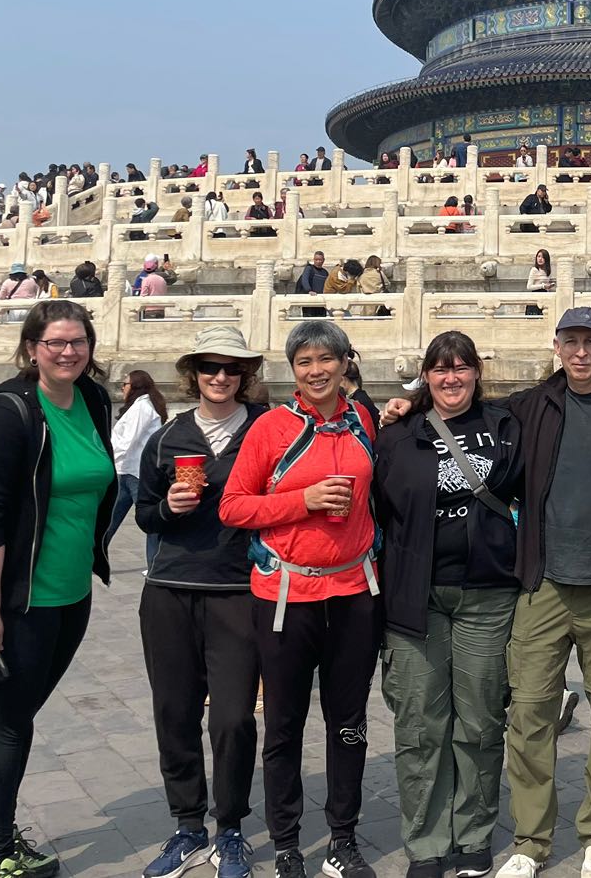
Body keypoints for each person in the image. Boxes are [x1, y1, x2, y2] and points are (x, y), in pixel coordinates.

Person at [387, 307, 591, 878]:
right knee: (526, 716)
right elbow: (455, 415)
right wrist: (407, 404)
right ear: (556, 346)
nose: (580, 352)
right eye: (570, 342)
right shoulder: (528, 408)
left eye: (590, 342)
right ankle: (530, 840)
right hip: (539, 585)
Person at [0, 301, 118, 877]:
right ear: (31, 349)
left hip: (72, 592)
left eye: (78, 341)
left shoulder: (95, 401)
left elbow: (99, 483)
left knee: (19, 713)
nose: (68, 352)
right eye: (55, 342)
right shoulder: (8, 414)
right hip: (18, 599)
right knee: (6, 720)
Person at [218, 322, 380, 878]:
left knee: (349, 720)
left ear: (343, 364)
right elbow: (234, 507)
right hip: (287, 592)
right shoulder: (270, 428)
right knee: (284, 722)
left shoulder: (364, 420)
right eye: (305, 361)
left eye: (326, 359)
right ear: (293, 370)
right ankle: (286, 840)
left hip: (355, 591)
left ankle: (343, 836)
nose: (317, 371)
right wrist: (302, 500)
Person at [373, 331, 523, 878]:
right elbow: (376, 509)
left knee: (480, 722)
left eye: (461, 367)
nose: (451, 377)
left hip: (487, 591)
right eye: (440, 369)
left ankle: (474, 832)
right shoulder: (399, 433)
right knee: (420, 726)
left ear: (477, 371)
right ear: (426, 375)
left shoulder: (506, 425)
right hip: (416, 597)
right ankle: (427, 842)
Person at [135, 326, 268, 878]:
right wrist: (168, 507)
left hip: (239, 590)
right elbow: (143, 513)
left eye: (231, 368)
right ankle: (187, 824)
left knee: (235, 718)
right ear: (194, 374)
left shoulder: (268, 430)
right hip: (169, 589)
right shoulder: (167, 438)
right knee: (175, 712)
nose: (220, 377)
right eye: (210, 367)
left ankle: (230, 827)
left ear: (245, 376)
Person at [109, 370, 166, 541]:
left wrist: (108, 458)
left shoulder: (142, 407)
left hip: (136, 473)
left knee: (150, 521)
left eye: (124, 384)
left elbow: (128, 441)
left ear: (134, 386)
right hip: (126, 470)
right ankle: (93, 560)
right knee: (108, 521)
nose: (122, 389)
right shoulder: (139, 407)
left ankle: (155, 565)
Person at [297, 250, 330, 317]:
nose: (318, 261)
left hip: (321, 302)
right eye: (316, 259)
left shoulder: (325, 272)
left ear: (323, 260)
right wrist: (309, 290)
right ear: (314, 260)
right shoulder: (309, 268)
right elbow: (304, 280)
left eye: (320, 260)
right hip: (310, 302)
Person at [527, 249, 556, 314]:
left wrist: (549, 286)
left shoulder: (547, 271)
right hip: (535, 296)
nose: (540, 259)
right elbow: (529, 286)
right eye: (538, 256)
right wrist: (543, 286)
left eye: (543, 257)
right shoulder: (534, 270)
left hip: (545, 296)